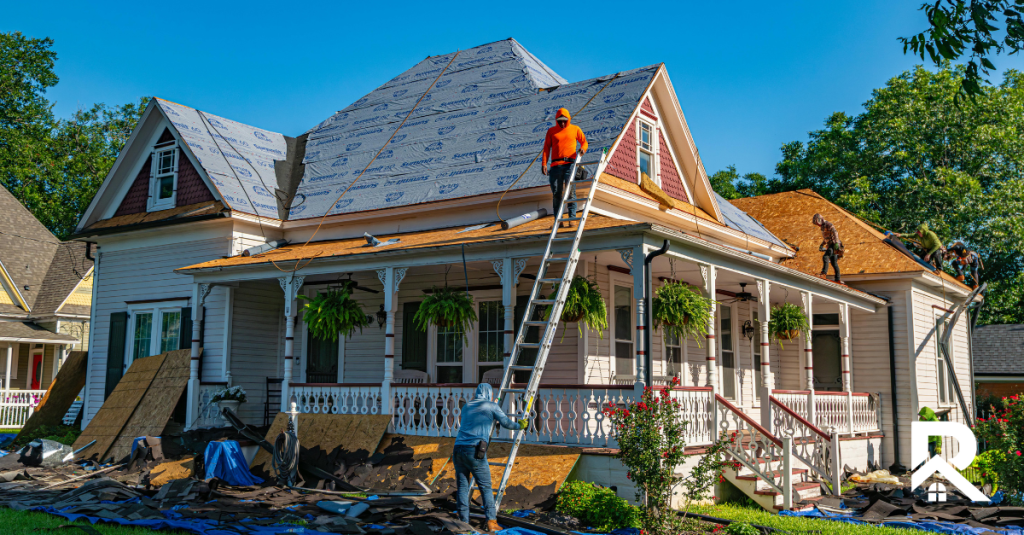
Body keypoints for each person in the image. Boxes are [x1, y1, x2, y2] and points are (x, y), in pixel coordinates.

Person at [452, 383, 527, 532]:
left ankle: (463, 522)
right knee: (486, 487)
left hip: (458, 449)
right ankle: (492, 523)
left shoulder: (467, 406)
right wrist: (520, 425)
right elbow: (506, 423)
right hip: (474, 450)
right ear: (488, 393)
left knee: (462, 486)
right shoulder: (491, 406)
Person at [541, 108, 587, 228]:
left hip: (569, 164)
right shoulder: (551, 131)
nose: (562, 123)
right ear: (556, 120)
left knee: (570, 192)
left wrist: (582, 150)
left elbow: (584, 142)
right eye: (560, 121)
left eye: (564, 121)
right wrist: (544, 163)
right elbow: (546, 148)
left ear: (568, 120)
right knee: (557, 193)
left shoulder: (575, 129)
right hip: (555, 166)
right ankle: (558, 221)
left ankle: (572, 218)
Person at [812, 213, 843, 283]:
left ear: (820, 219)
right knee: (834, 262)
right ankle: (838, 279)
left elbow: (835, 233)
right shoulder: (822, 227)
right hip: (830, 244)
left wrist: (836, 243)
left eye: (817, 222)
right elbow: (826, 238)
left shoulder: (828, 224)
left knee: (825, 257)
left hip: (833, 244)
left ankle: (823, 273)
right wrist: (822, 244)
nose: (818, 224)